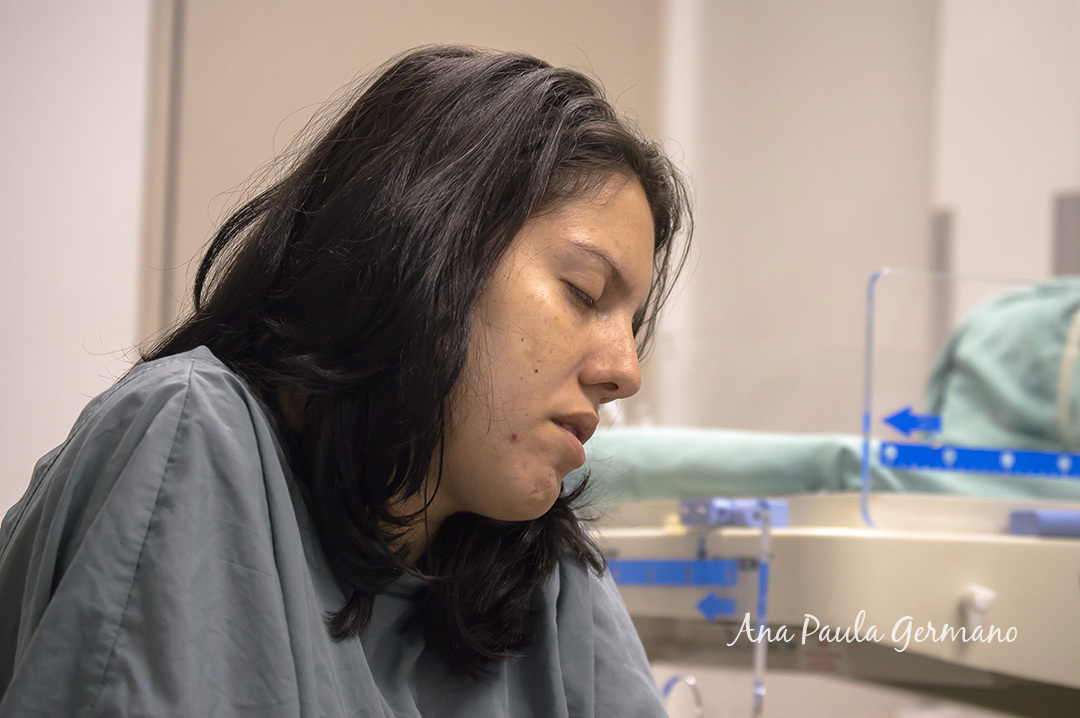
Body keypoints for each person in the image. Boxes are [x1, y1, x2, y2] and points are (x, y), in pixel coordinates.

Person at [0, 45, 691, 717]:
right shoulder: (194, 439)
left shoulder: (540, 569)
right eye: (584, 292)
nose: (624, 373)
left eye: (632, 324)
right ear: (428, 247)